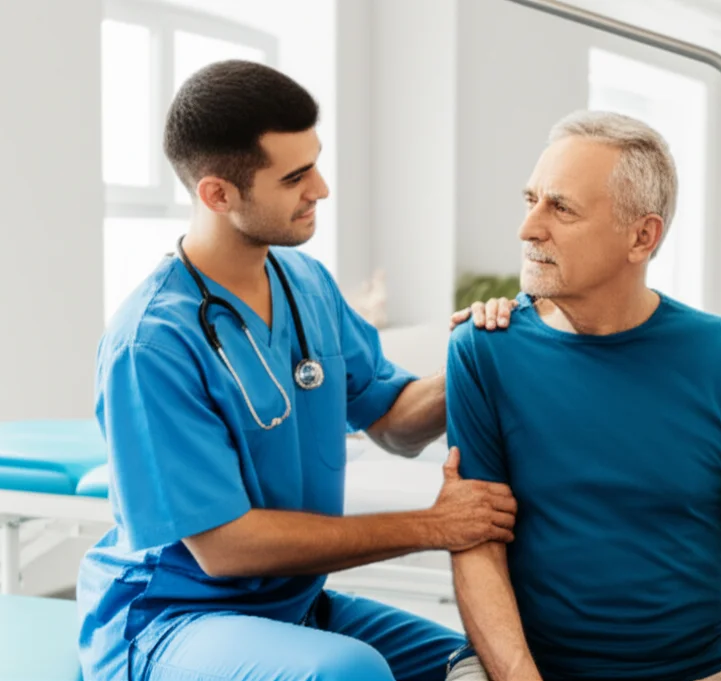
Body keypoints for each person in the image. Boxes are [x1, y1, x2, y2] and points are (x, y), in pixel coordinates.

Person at [76, 60, 518, 681]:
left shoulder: (305, 282)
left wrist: (486, 359)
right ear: (217, 194)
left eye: (316, 161)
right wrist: (434, 526)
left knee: (486, 663)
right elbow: (226, 549)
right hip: (172, 622)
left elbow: (391, 419)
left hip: (294, 607)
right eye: (295, 176)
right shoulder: (151, 344)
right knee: (346, 672)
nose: (322, 189)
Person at [445, 111, 721, 681]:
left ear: (642, 236)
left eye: (561, 208)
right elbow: (476, 546)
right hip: (525, 669)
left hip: (698, 669)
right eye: (531, 200)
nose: (528, 229)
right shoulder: (483, 349)